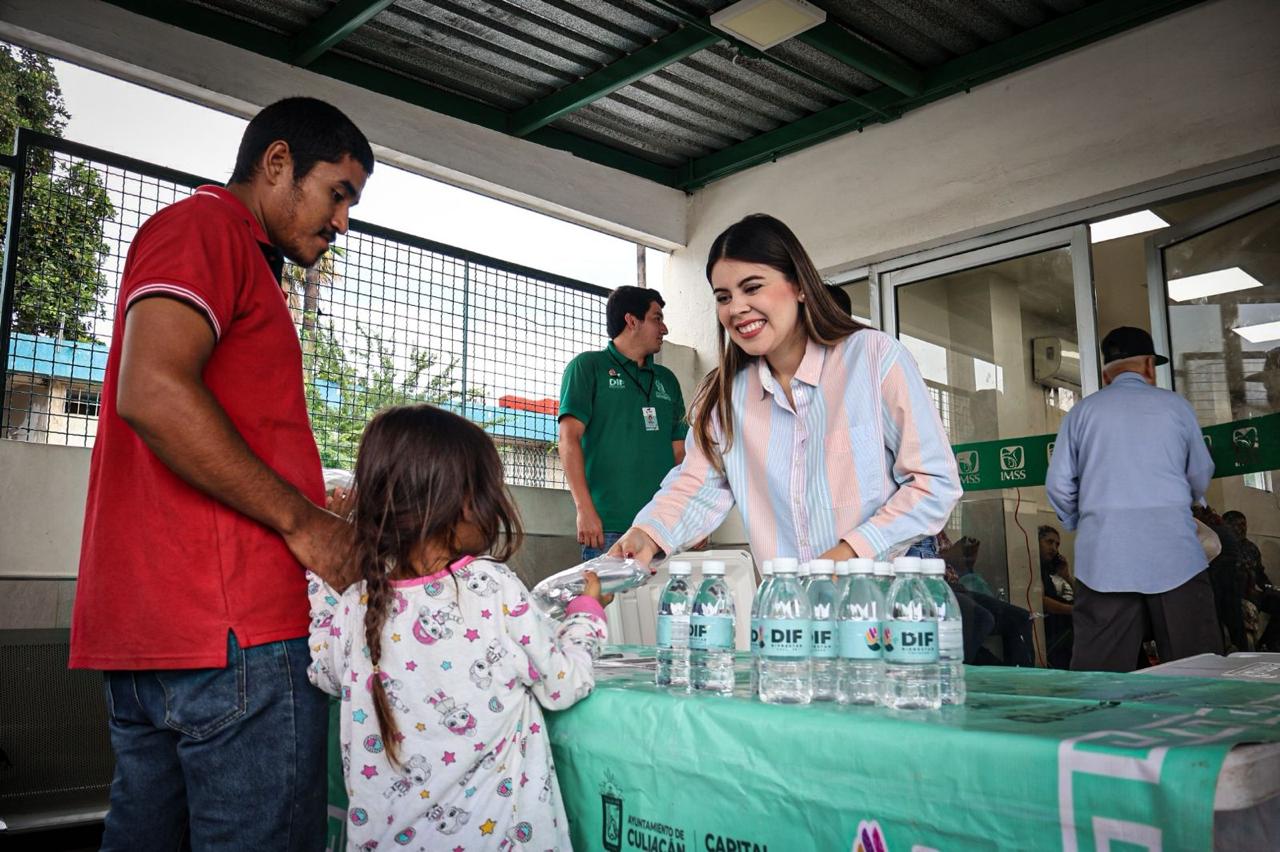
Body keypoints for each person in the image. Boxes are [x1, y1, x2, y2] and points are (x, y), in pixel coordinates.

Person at [69, 97, 375, 850]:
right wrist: (306, 522)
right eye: (339, 193)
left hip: (161, 631)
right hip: (234, 633)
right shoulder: (206, 229)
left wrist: (309, 491)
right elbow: (153, 391)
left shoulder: (238, 260)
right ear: (277, 164)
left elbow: (207, 420)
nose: (343, 222)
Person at [307, 404, 608, 850]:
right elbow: (563, 682)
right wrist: (587, 612)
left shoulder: (355, 608)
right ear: (466, 502)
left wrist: (320, 580)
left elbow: (323, 670)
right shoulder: (491, 589)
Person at [609, 214, 962, 569]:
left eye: (752, 287)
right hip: (791, 611)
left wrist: (851, 553)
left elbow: (933, 483)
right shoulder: (723, 398)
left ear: (800, 286)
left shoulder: (873, 359)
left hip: (885, 607)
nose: (737, 308)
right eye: (723, 296)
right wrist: (649, 532)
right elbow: (697, 485)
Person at [1046, 326, 1221, 672]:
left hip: (1105, 558)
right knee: (1197, 669)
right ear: (1149, 366)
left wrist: (1085, 523)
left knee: (1101, 676)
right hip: (1175, 555)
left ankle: (1104, 725)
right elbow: (1200, 470)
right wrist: (1178, 505)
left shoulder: (1081, 413)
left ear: (1104, 373)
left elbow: (1058, 485)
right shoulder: (1176, 407)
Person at [559, 286, 687, 558]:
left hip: (661, 529)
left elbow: (681, 454)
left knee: (664, 602)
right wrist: (585, 510)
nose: (664, 329)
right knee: (604, 602)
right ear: (631, 321)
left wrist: (687, 516)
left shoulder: (667, 380)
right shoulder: (587, 367)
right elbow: (569, 440)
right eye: (657, 318)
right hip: (608, 529)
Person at [1224, 509, 1280, 650]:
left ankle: (1267, 644)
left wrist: (1271, 588)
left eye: (1244, 524)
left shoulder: (1251, 547)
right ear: (1227, 526)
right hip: (1237, 595)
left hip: (1257, 593)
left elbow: (1260, 573)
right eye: (1238, 525)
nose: (1242, 528)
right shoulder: (1224, 548)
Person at [1038, 525, 1074, 669]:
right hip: (1050, 627)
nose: (1053, 548)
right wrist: (1073, 610)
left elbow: (1082, 599)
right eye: (1049, 542)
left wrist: (1067, 576)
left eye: (1057, 544)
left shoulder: (1048, 570)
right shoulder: (1032, 567)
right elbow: (1041, 602)